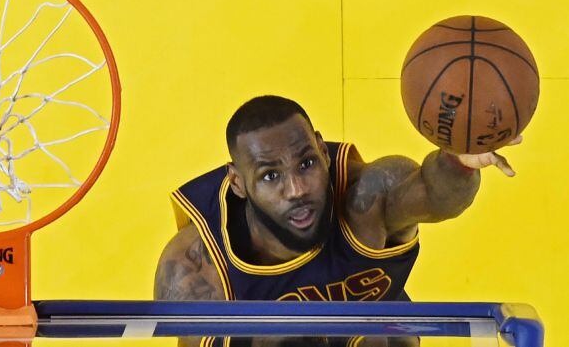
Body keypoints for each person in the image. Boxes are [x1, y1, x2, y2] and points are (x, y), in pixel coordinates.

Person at [154, 95, 519, 303]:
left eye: (307, 163)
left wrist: (459, 159)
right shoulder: (195, 268)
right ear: (237, 183)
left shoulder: (367, 195)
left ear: (324, 152)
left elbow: (437, 196)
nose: (296, 189)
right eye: (270, 176)